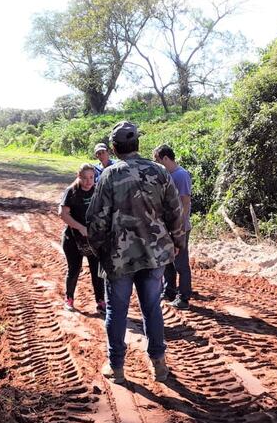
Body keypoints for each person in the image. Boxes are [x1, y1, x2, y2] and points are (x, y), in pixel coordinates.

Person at [86, 121, 185, 384]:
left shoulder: (109, 175)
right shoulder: (161, 172)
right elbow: (175, 211)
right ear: (137, 144)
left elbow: (95, 220)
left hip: (118, 258)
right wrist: (177, 241)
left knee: (116, 312)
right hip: (154, 255)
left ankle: (117, 368)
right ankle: (160, 366)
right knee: (152, 308)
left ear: (115, 148)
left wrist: (100, 251)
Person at [59, 163, 105, 313]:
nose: (88, 181)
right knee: (74, 269)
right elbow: (63, 214)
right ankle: (69, 299)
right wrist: (80, 227)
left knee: (96, 271)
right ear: (79, 177)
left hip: (92, 239)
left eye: (91, 177)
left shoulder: (98, 190)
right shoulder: (71, 192)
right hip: (73, 239)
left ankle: (101, 301)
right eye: (85, 178)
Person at [153, 144, 193, 310]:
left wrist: (181, 225)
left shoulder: (181, 175)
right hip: (167, 227)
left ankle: (184, 297)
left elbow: (185, 201)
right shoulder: (166, 175)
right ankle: (169, 290)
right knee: (167, 261)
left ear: (166, 159)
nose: (156, 164)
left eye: (157, 160)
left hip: (180, 227)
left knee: (181, 263)